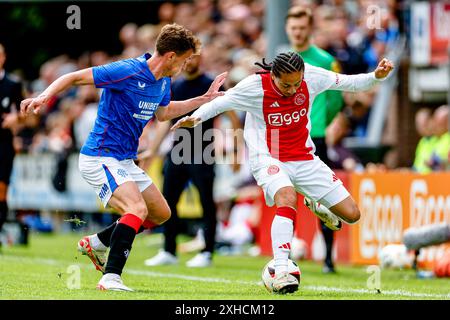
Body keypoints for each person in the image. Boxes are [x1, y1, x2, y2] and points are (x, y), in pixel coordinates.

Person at [20, 23, 227, 291]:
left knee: (161, 213)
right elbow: (73, 77)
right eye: (186, 59)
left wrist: (203, 99)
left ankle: (97, 242)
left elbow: (163, 113)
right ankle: (111, 277)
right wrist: (44, 96)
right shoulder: (127, 70)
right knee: (137, 209)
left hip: (124, 160)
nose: (187, 65)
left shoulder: (163, 81)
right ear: (171, 56)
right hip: (100, 155)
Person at [172, 52, 394, 294]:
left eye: (296, 84)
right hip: (267, 158)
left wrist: (376, 76)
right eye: (286, 84)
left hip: (305, 159)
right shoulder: (254, 86)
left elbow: (350, 83)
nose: (292, 89)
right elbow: (220, 103)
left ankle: (315, 203)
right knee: (286, 196)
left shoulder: (312, 77)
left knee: (352, 215)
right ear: (273, 75)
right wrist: (194, 118)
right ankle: (281, 270)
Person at [141, 54, 239, 268]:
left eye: (193, 58)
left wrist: (235, 152)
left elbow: (231, 117)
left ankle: (207, 252)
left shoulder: (210, 84)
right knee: (167, 201)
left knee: (206, 203)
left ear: (201, 59)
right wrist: (152, 151)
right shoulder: (176, 85)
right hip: (178, 149)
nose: (188, 62)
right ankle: (168, 250)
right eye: (186, 59)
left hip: (202, 149)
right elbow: (165, 121)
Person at [285, 5, 344, 273]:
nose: (297, 32)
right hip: (288, 138)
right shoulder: (283, 60)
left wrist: (321, 122)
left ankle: (329, 259)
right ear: (288, 29)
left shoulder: (325, 60)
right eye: (293, 28)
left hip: (315, 136)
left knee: (324, 197)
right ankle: (284, 256)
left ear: (309, 30)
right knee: (286, 195)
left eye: (302, 28)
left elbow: (335, 100)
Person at [0, 43, 24, 249]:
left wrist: (15, 118)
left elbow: (25, 114)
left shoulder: (13, 84)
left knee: (1, 190)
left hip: (4, 143)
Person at [412, 108, 436, 174]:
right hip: (421, 181)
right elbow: (417, 165)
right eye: (418, 124)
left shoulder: (440, 139)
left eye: (424, 123)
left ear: (432, 121)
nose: (420, 127)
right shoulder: (422, 141)